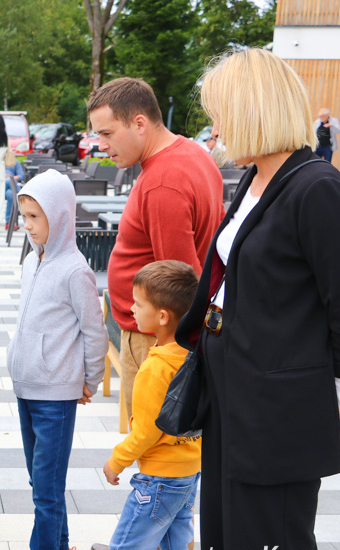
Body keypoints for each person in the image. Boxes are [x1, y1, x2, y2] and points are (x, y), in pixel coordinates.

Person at [178, 48, 340, 550]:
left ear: (250, 109)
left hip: (275, 414)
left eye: (219, 111)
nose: (213, 125)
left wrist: (328, 394)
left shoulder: (317, 188)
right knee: (225, 543)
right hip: (235, 396)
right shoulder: (259, 178)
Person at [87, 78, 224, 425]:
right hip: (155, 335)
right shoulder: (194, 154)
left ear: (139, 123)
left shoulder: (163, 182)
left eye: (107, 133)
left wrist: (173, 357)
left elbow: (181, 285)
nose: (100, 144)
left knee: (153, 452)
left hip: (155, 341)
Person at [7, 169, 107, 550]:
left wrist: (91, 379)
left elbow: (94, 331)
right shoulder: (33, 261)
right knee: (40, 481)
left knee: (46, 487)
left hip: (56, 395)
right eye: (25, 216)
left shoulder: (75, 270)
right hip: (27, 386)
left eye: (36, 217)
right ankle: (60, 549)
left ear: (60, 215)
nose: (28, 226)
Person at [103, 260, 200, 550]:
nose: (132, 309)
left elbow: (146, 432)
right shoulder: (196, 355)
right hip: (189, 470)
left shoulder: (156, 367)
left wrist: (117, 460)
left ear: (162, 316)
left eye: (138, 303)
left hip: (159, 478)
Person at [4, 154, 26, 229]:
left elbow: (21, 176)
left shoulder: (15, 162)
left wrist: (12, 178)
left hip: (11, 186)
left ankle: (9, 223)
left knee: (10, 194)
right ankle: (22, 198)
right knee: (8, 180)